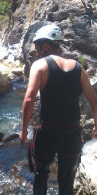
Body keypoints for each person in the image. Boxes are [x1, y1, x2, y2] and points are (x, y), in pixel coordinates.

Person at [20, 24, 97, 194]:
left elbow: (29, 99)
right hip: (73, 134)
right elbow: (94, 100)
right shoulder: (79, 69)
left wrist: (24, 129)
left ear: (46, 46)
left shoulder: (40, 66)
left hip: (48, 133)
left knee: (41, 175)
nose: (37, 53)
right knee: (67, 177)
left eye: (38, 49)